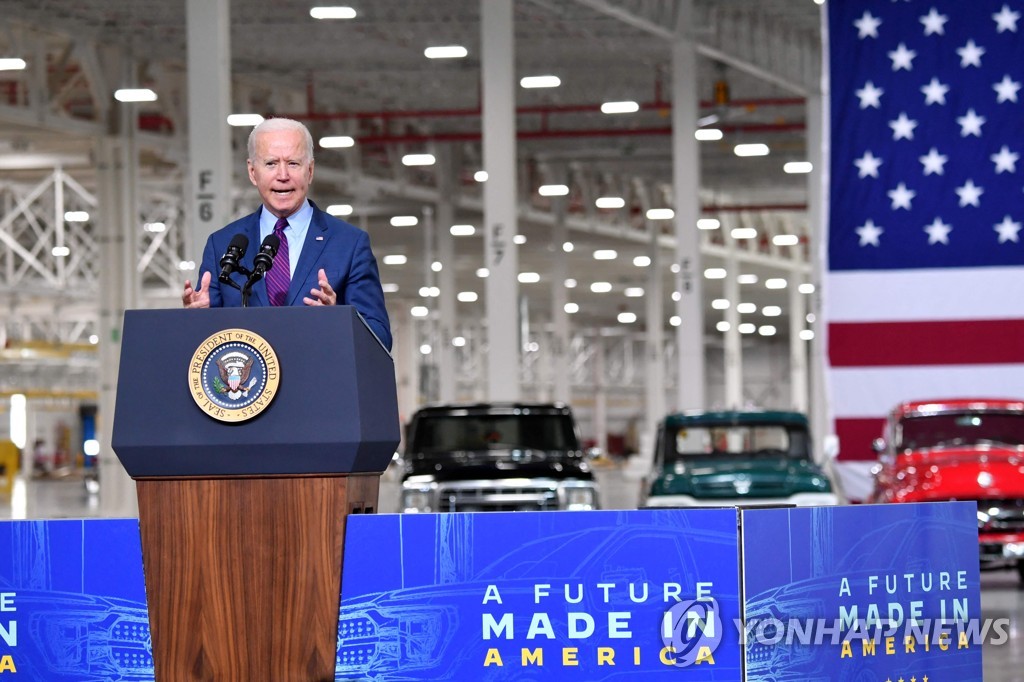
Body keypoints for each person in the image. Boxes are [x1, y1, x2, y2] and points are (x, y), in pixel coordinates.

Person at [181, 117, 392, 350]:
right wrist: (196, 319)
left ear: (310, 171)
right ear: (253, 172)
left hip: (320, 382)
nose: (283, 175)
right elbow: (206, 344)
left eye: (293, 163)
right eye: (271, 163)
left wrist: (339, 321)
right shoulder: (221, 244)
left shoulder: (350, 244)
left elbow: (380, 337)